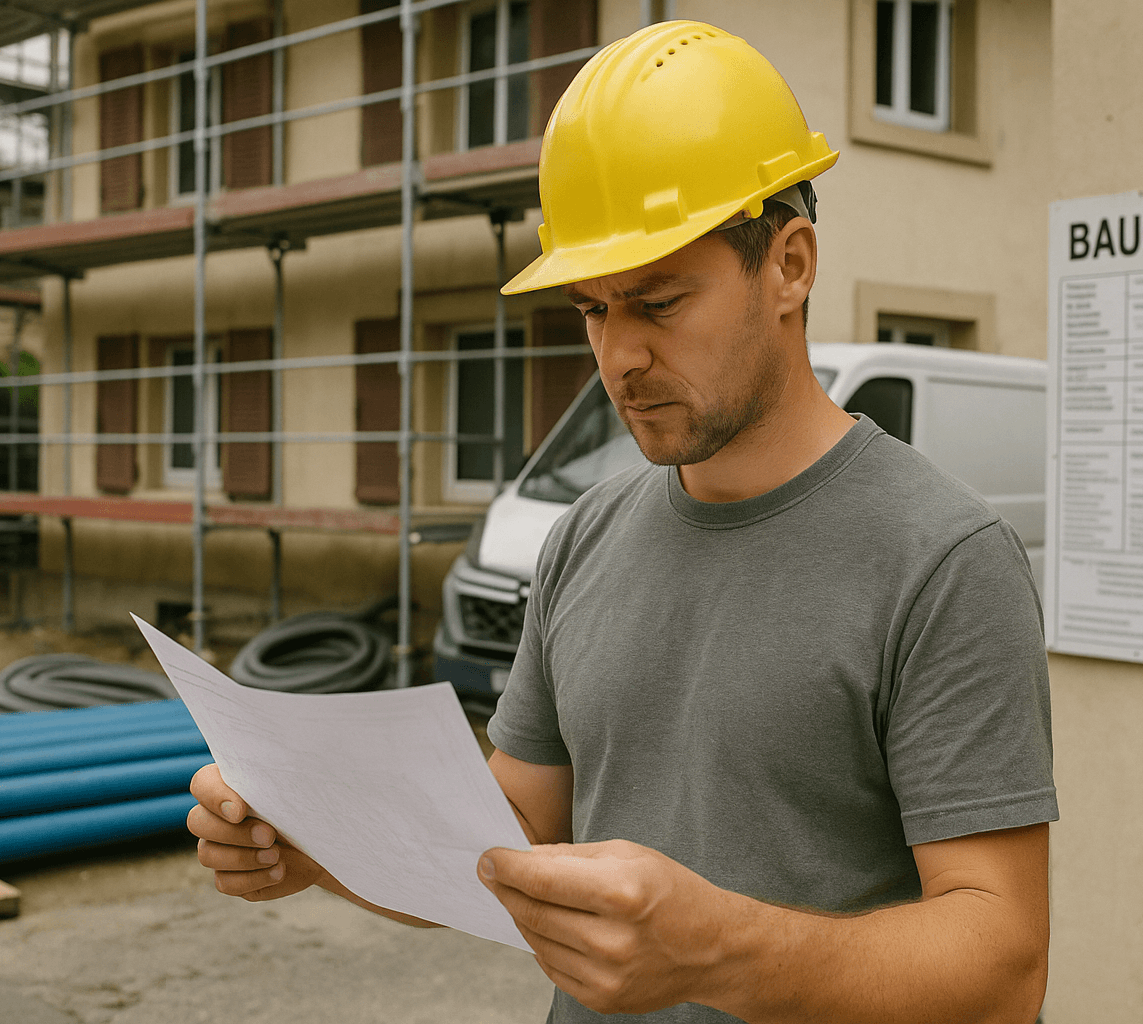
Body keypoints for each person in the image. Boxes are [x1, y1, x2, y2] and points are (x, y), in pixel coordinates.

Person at [189, 20, 1057, 1024]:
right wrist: (321, 843)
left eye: (658, 302)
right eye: (594, 310)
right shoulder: (582, 539)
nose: (619, 358)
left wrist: (718, 951)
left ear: (790, 264)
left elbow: (1002, 966)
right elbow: (512, 832)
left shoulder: (945, 560)